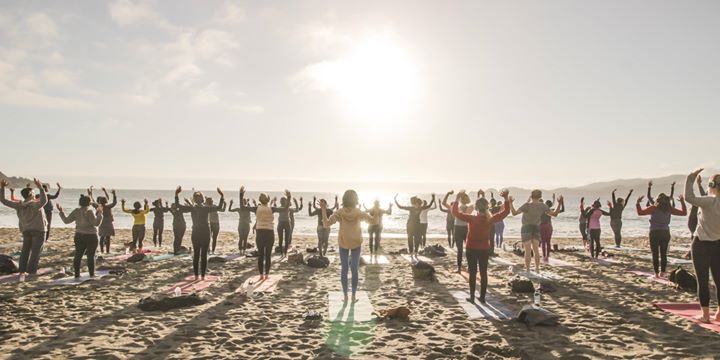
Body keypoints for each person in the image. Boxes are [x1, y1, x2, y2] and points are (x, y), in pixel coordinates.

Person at [451, 190, 511, 304]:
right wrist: (506, 198)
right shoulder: (490, 219)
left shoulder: (471, 218)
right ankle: (482, 297)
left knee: (472, 273)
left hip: (471, 248)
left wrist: (457, 198)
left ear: (476, 208)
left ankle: (472, 297)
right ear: (487, 207)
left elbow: (455, 213)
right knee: (483, 273)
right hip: (484, 249)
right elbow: (506, 212)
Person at [321, 189, 379, 302]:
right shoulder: (358, 212)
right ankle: (353, 296)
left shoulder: (340, 212)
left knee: (344, 269)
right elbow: (374, 222)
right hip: (356, 243)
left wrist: (323, 209)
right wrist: (376, 208)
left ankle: (345, 296)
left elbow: (326, 224)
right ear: (355, 200)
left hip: (343, 243)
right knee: (354, 269)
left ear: (344, 199)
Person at [684, 169, 720, 323]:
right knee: (719, 281)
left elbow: (689, 197)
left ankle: (705, 316)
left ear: (712, 185)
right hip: (718, 244)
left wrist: (690, 178)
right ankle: (719, 313)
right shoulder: (710, 200)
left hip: (701, 245)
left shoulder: (709, 201)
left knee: (703, 281)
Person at [175, 186, 225, 280]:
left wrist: (176, 194)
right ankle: (202, 276)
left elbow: (178, 206)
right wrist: (222, 196)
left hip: (197, 233)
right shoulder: (205, 208)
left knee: (197, 255)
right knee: (203, 255)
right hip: (204, 233)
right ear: (202, 199)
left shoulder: (192, 208)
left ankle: (197, 276)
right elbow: (219, 207)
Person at [0, 178, 48, 275]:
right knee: (35, 252)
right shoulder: (35, 205)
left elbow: (3, 200)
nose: (35, 195)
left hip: (26, 230)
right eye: (34, 193)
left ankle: (22, 271)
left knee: (25, 252)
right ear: (31, 195)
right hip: (39, 230)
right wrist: (41, 188)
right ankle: (31, 272)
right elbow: (44, 201)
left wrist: (2, 188)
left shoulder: (19, 205)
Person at [510, 190, 564, 272]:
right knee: (536, 250)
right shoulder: (542, 206)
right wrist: (559, 203)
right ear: (540, 197)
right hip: (536, 227)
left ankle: (528, 269)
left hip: (526, 228)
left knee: (528, 250)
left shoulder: (527, 205)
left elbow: (514, 213)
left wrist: (510, 203)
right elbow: (555, 214)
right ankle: (537, 269)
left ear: (531, 196)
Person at [636, 193, 687, 277]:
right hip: (665, 233)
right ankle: (662, 272)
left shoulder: (653, 208)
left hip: (654, 233)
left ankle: (656, 273)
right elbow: (684, 213)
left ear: (658, 200)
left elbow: (640, 213)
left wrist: (637, 203)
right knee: (663, 254)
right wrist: (682, 202)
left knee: (655, 253)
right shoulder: (669, 209)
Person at [58, 195, 103, 278]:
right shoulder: (89, 211)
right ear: (89, 203)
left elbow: (66, 221)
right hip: (91, 235)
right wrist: (100, 215)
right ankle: (92, 274)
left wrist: (61, 212)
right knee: (91, 255)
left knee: (78, 255)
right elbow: (95, 223)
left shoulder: (76, 211)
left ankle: (77, 274)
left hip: (79, 235)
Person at [395, 194, 436, 259]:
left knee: (417, 239)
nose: (417, 205)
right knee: (410, 239)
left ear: (419, 204)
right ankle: (411, 253)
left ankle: (416, 252)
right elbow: (400, 207)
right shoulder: (411, 208)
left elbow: (429, 205)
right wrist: (395, 200)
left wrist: (433, 198)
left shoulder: (421, 208)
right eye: (415, 203)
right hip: (410, 225)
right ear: (414, 203)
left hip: (417, 225)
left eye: (418, 204)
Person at [443, 190, 473, 272]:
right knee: (465, 249)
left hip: (461, 229)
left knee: (463, 250)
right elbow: (444, 203)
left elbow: (444, 203)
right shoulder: (468, 207)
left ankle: (462, 268)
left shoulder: (458, 207)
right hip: (462, 229)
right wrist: (448, 194)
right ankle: (465, 268)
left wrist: (448, 194)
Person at [275, 191, 302, 256]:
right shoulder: (280, 208)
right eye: (281, 200)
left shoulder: (288, 208)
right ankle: (282, 252)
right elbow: (273, 209)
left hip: (287, 223)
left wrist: (296, 202)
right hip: (281, 223)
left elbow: (297, 210)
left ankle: (284, 252)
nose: (281, 201)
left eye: (283, 200)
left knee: (286, 239)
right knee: (281, 239)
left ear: (285, 202)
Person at [95, 188, 117, 254]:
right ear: (106, 201)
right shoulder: (108, 207)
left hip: (101, 223)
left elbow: (91, 203)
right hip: (108, 224)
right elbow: (114, 202)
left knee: (102, 237)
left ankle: (102, 250)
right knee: (108, 238)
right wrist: (114, 195)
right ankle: (107, 251)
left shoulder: (98, 207)